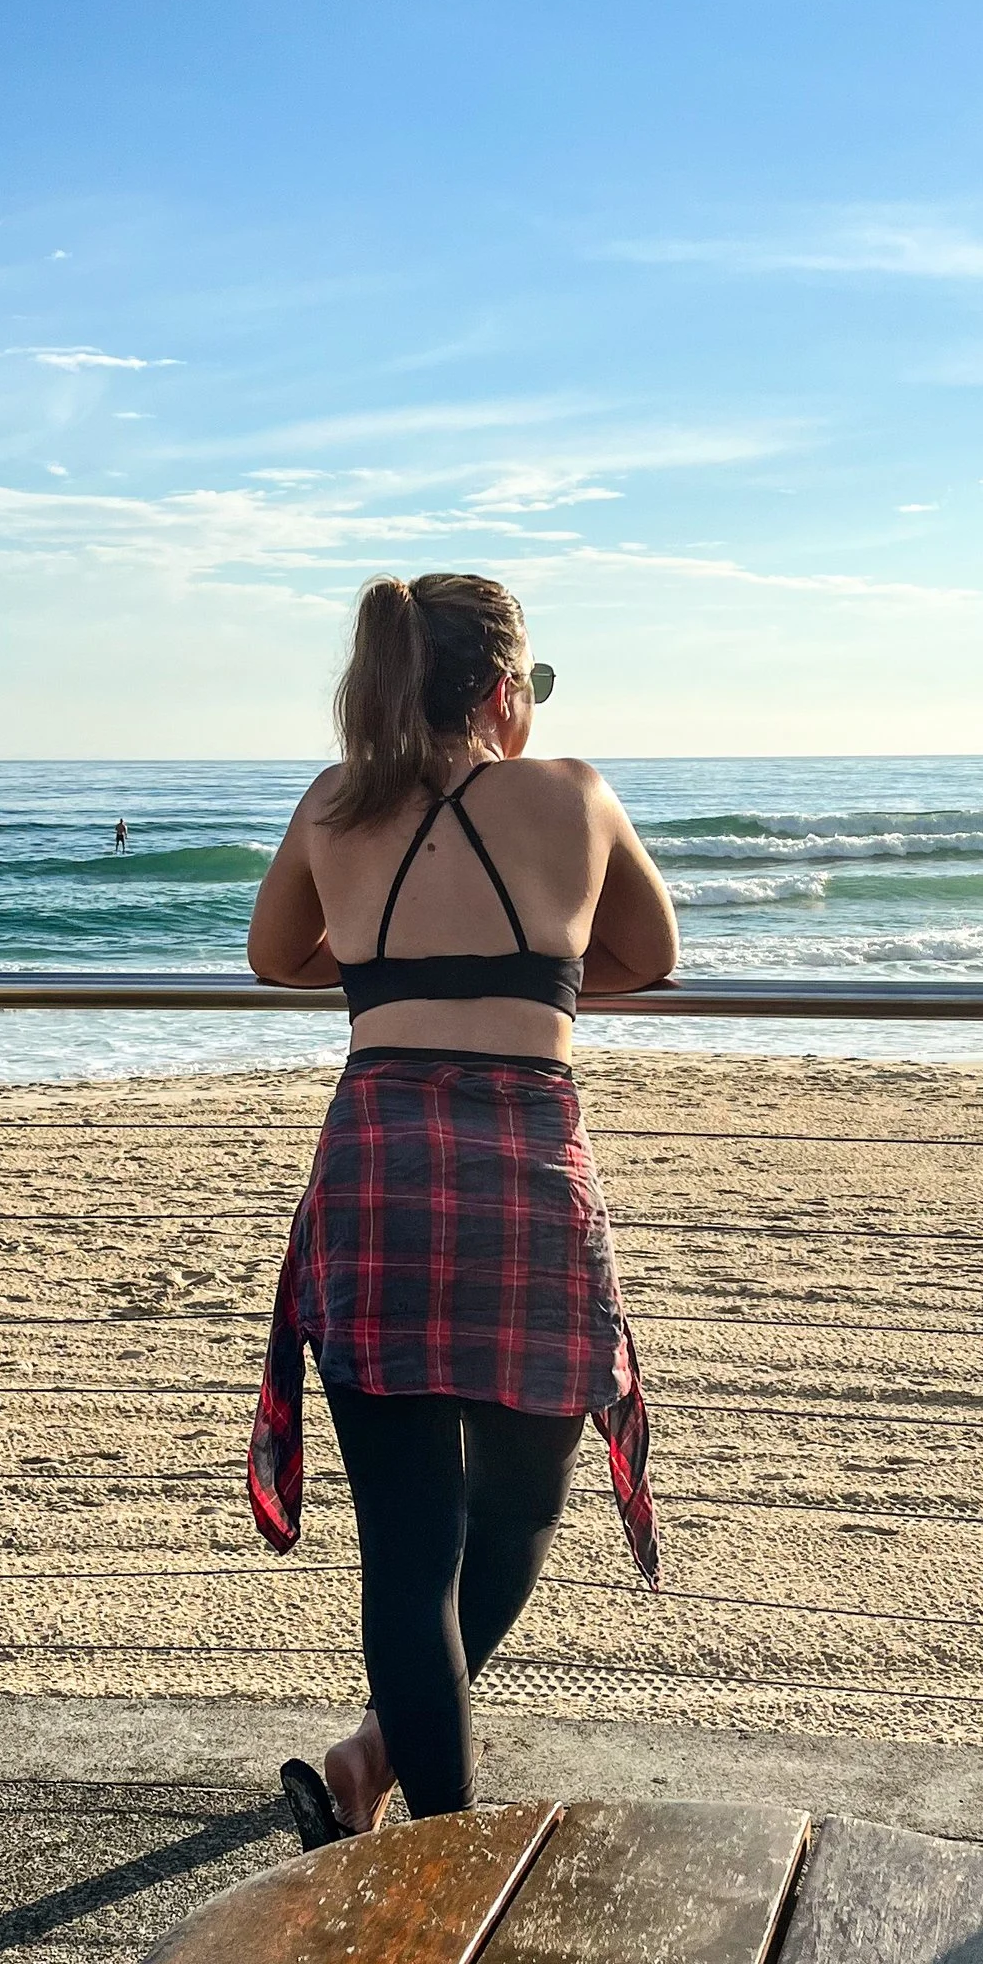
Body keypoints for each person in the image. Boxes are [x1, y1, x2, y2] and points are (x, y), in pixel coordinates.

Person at [246, 571, 679, 1845]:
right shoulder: (575, 796)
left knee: (406, 1549)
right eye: (531, 686)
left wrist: (389, 948)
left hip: (379, 1170)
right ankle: (411, 1811)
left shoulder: (336, 804)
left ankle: (403, 1791)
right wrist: (527, 969)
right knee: (516, 1513)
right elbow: (648, 956)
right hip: (526, 1184)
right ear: (504, 691)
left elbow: (276, 956)